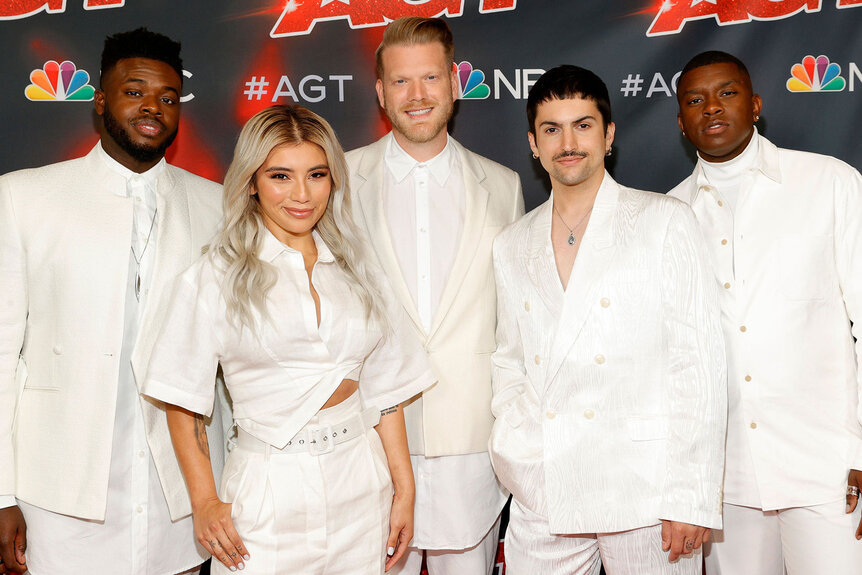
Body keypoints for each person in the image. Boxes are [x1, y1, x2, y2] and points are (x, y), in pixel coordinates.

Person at [141, 104, 434, 574]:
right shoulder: (213, 275)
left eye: (316, 174)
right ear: (251, 181)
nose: (302, 194)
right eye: (281, 176)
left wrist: (404, 489)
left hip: (362, 481)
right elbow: (182, 401)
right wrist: (204, 500)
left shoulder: (361, 267)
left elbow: (387, 387)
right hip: (268, 492)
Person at [0, 28, 227, 575]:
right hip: (60, 493)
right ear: (100, 100)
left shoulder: (217, 204)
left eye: (169, 97)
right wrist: (0, 493)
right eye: (135, 91)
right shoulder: (23, 197)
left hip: (181, 493)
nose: (153, 106)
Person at [490, 64, 726, 574]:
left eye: (583, 124)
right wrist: (518, 451)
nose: (568, 142)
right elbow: (508, 360)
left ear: (609, 134)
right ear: (533, 143)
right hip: (545, 487)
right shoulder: (511, 244)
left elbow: (698, 364)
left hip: (644, 491)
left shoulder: (663, 220)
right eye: (551, 129)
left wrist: (690, 496)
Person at [669, 50, 862, 575]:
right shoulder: (669, 216)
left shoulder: (829, 183)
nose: (711, 108)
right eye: (694, 99)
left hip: (826, 463)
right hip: (726, 478)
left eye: (726, 93)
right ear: (681, 122)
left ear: (755, 105)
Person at [345, 16, 524, 575]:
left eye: (429, 79)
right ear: (380, 92)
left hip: (469, 436)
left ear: (453, 82)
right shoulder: (338, 180)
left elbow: (513, 318)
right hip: (365, 435)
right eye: (400, 82)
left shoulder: (504, 183)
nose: (416, 96)